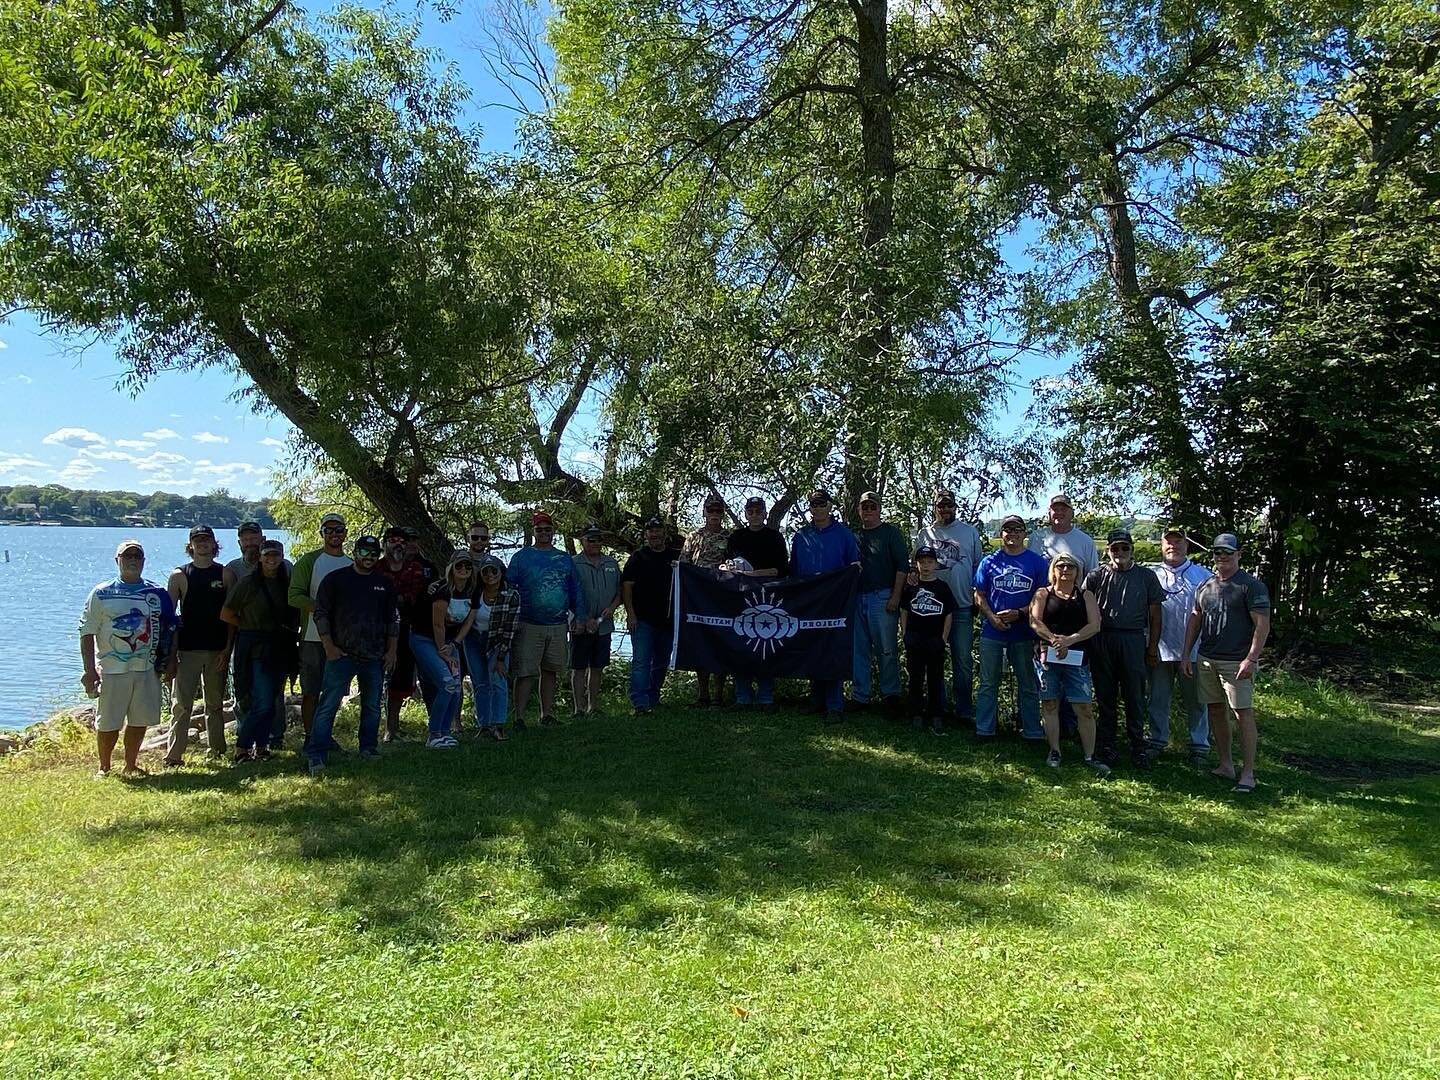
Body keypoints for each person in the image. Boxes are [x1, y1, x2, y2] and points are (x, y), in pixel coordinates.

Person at [78, 539, 177, 779]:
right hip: (113, 670)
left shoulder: (157, 593)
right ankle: (104, 766)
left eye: (137, 557)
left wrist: (172, 660)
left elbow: (171, 628)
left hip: (146, 669)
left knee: (139, 719)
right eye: (127, 556)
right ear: (117, 560)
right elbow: (86, 631)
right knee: (108, 722)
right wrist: (89, 670)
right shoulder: (102, 593)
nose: (132, 560)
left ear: (143, 561)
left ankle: (131, 764)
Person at [1182, 533, 1271, 793]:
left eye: (1228, 553)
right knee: (1215, 711)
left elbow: (1262, 625)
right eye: (1218, 553)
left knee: (1242, 713)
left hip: (1237, 662)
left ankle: (1248, 773)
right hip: (1207, 659)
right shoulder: (1206, 585)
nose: (1222, 557)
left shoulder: (1251, 586)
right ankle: (1225, 765)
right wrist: (1187, 654)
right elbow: (1195, 620)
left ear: (1238, 555)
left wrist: (1252, 658)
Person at [305, 535, 398, 777]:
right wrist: (329, 646)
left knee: (372, 706)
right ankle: (316, 753)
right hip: (341, 655)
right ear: (355, 552)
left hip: (374, 656)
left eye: (373, 553)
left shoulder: (384, 584)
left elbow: (392, 620)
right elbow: (321, 614)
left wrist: (391, 651)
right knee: (328, 705)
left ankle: (368, 748)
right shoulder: (336, 580)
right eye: (364, 552)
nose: (368, 558)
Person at [1084, 529, 1165, 769]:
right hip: (1103, 639)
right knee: (1105, 696)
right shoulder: (1096, 576)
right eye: (1115, 548)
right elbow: (1085, 611)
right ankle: (1108, 746)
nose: (1120, 553)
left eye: (1124, 548)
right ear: (1107, 551)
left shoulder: (1147, 576)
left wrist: (1151, 649)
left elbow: (1155, 617)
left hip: (1132, 640)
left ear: (1132, 550)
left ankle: (1138, 747)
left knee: (1135, 696)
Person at [163, 525, 236, 766]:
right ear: (190, 545)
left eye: (207, 540)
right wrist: (170, 655)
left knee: (214, 704)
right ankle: (174, 755)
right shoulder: (179, 575)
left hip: (216, 650)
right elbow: (169, 618)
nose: (203, 544)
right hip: (187, 650)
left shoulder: (224, 574)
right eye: (198, 540)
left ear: (215, 545)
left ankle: (217, 751)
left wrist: (228, 649)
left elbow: (232, 616)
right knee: (181, 705)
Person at [1029, 553, 1108, 774]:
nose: (1065, 570)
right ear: (1053, 570)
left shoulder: (1086, 595)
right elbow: (1034, 621)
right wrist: (1054, 640)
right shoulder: (1043, 593)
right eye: (1061, 566)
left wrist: (1069, 640)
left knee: (1083, 707)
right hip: (1047, 656)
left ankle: (1090, 755)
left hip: (1078, 657)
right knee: (1050, 704)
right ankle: (1054, 750)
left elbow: (1095, 625)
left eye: (1071, 566)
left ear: (1077, 571)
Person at [220, 539, 296, 762]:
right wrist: (248, 627)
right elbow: (226, 614)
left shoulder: (285, 583)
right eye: (267, 555)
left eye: (276, 555)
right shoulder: (248, 583)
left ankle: (262, 747)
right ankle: (242, 747)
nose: (272, 560)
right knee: (261, 702)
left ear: (281, 557)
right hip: (255, 647)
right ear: (261, 557)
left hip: (280, 647)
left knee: (272, 700)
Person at [972, 514, 1047, 740]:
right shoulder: (989, 561)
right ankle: (984, 730)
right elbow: (979, 594)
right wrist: (991, 616)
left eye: (1017, 529)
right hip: (992, 631)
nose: (1012, 533)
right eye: (1007, 529)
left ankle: (1033, 731)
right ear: (1000, 533)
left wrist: (1020, 613)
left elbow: (1042, 596)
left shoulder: (1037, 562)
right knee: (988, 683)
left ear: (1025, 534)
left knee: (1028, 684)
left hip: (1024, 632)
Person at [790, 490, 861, 724]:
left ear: (830, 506)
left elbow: (855, 565)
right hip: (809, 602)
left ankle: (834, 704)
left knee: (833, 650)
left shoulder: (844, 534)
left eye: (822, 504)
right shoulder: (802, 536)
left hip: (836, 603)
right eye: (813, 504)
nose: (818, 508)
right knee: (812, 648)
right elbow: (794, 571)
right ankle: (816, 701)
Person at [914, 489, 985, 724]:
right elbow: (916, 568)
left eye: (949, 505)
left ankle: (963, 710)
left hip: (962, 606)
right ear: (935, 508)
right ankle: (938, 708)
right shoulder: (925, 534)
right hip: (931, 608)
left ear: (955, 506)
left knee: (962, 660)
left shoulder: (969, 532)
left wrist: (976, 596)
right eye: (940, 506)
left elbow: (977, 567)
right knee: (934, 659)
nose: (945, 509)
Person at [506, 511, 580, 728]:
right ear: (534, 531)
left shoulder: (564, 558)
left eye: (548, 529)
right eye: (540, 529)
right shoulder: (521, 557)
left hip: (558, 625)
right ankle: (519, 717)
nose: (544, 533)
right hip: (529, 624)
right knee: (525, 672)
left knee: (550, 671)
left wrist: (580, 616)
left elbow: (575, 589)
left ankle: (546, 714)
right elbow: (509, 587)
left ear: (553, 531)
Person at [1148, 526, 1214, 765]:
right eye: (1168, 542)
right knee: (1157, 698)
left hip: (1194, 652)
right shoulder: (1151, 574)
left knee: (1197, 700)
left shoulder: (1204, 575)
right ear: (1161, 545)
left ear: (1187, 545)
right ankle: (1157, 740)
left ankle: (1199, 746)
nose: (1172, 546)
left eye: (1178, 542)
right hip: (1159, 649)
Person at [289, 512, 353, 739]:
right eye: (329, 530)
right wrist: (320, 608)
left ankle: (325, 735)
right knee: (311, 691)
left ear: (345, 533)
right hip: (312, 638)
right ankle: (310, 737)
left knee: (334, 693)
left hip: (342, 640)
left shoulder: (351, 564)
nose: (334, 534)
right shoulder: (309, 561)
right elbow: (294, 596)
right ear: (322, 533)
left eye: (339, 530)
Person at [724, 495, 791, 708]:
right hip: (740, 596)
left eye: (758, 511)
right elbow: (725, 565)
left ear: (765, 513)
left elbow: (779, 570)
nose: (754, 515)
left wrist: (752, 575)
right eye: (750, 511)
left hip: (768, 597)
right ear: (746, 513)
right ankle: (742, 695)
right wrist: (727, 570)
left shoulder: (775, 537)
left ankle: (765, 695)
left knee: (765, 644)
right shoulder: (736, 537)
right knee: (741, 643)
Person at [376, 524, 437, 742]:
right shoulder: (376, 567)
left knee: (408, 680)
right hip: (379, 632)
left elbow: (413, 597)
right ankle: (389, 730)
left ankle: (436, 727)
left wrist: (393, 598)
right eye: (394, 541)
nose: (399, 545)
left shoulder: (417, 568)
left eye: (403, 541)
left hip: (411, 630)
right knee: (383, 681)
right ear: (385, 544)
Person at [409, 551, 476, 749]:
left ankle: (445, 732)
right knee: (446, 683)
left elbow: (468, 622)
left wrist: (454, 644)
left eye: (467, 566)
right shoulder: (442, 590)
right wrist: (442, 651)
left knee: (455, 687)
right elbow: (437, 624)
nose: (463, 570)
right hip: (425, 639)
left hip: (450, 641)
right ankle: (434, 733)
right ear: (451, 568)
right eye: (459, 566)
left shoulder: (473, 591)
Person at [851, 491, 908, 712]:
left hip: (883, 597)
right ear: (859, 510)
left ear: (879, 509)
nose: (868, 511)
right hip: (857, 598)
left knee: (886, 649)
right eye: (864, 507)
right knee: (859, 650)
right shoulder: (854, 535)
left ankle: (890, 695)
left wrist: (895, 596)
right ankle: (860, 696)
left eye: (872, 507)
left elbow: (902, 566)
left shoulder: (891, 533)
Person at [622, 516, 681, 715]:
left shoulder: (676, 557)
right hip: (643, 620)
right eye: (651, 531)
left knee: (662, 662)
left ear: (664, 533)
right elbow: (627, 587)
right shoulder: (638, 557)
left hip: (668, 620)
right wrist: (630, 614)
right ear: (646, 534)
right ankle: (639, 702)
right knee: (641, 662)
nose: (655, 534)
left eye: (658, 530)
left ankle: (653, 698)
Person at [898, 546, 958, 734]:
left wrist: (943, 638)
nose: (926, 566)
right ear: (917, 564)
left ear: (936, 564)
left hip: (934, 639)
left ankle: (936, 714)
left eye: (929, 562)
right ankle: (916, 712)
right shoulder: (912, 587)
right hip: (915, 638)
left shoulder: (942, 587)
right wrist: (904, 633)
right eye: (922, 562)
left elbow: (949, 614)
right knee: (915, 678)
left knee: (935, 678)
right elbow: (904, 611)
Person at [681, 495, 733, 706]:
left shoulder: (730, 537)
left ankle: (719, 695)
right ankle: (702, 694)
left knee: (721, 642)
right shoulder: (694, 536)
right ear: (704, 512)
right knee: (700, 642)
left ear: (722, 513)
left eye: (718, 511)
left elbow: (735, 563)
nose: (714, 515)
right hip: (698, 597)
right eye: (710, 511)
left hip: (722, 596)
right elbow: (683, 564)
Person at [465, 555, 519, 739]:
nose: (490, 575)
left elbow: (510, 630)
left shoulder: (511, 595)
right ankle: (484, 725)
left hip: (497, 641)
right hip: (472, 640)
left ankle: (498, 725)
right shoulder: (474, 591)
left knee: (498, 680)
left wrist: (502, 658)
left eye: (494, 570)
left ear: (501, 572)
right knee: (479, 683)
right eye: (485, 571)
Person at [571, 525, 621, 719]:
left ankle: (593, 706)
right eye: (590, 539)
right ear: (582, 541)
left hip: (604, 625)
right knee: (579, 667)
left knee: (598, 666)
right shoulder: (574, 563)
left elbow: (620, 592)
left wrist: (613, 607)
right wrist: (581, 618)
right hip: (581, 625)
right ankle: (578, 708)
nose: (595, 543)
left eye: (598, 539)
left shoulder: (612, 563)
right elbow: (569, 595)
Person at [1027, 494, 1100, 575]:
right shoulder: (1036, 537)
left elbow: (1093, 576)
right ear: (1049, 514)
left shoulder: (1086, 541)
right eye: (1055, 509)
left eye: (1063, 509)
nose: (1059, 512)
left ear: (1072, 514)